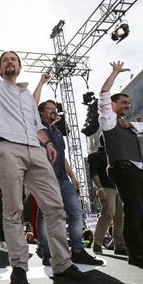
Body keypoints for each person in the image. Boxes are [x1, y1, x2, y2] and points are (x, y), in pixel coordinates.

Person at [0, 18, 91, 284]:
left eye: (14, 59)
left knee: (55, 207)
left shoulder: (26, 95)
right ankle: (19, 268)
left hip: (35, 150)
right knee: (12, 210)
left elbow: (37, 124)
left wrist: (47, 143)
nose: (10, 62)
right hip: (7, 147)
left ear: (19, 66)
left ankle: (62, 263)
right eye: (5, 61)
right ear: (0, 69)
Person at [37, 100, 103, 266]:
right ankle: (47, 251)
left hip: (63, 178)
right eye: (49, 108)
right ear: (40, 113)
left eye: (55, 107)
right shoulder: (37, 129)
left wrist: (72, 176)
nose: (54, 110)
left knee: (76, 212)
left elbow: (62, 156)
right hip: (45, 178)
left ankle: (78, 250)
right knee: (45, 214)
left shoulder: (58, 133)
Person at [98, 61, 143, 269]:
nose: (127, 105)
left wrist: (132, 124)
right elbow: (104, 92)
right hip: (123, 167)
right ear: (113, 105)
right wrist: (115, 72)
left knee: (140, 211)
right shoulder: (108, 119)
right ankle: (135, 254)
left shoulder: (130, 124)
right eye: (124, 102)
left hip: (137, 169)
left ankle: (139, 249)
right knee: (133, 210)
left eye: (128, 102)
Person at [87, 135, 126, 255]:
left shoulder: (116, 155)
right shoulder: (95, 156)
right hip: (106, 188)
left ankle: (119, 246)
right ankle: (97, 243)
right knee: (109, 213)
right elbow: (93, 173)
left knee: (120, 217)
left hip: (119, 188)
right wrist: (100, 188)